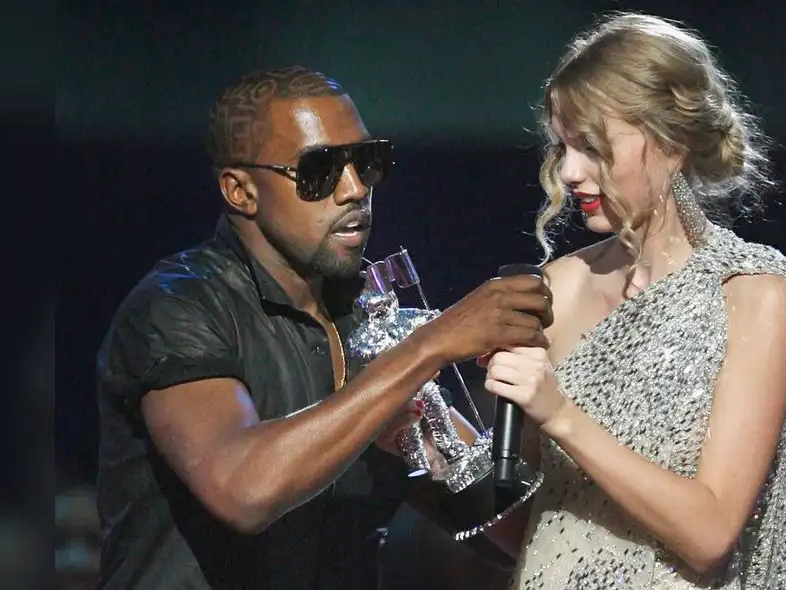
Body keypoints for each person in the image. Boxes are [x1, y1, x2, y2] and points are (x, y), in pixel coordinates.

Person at [94, 65, 552, 589]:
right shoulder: (179, 305)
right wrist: (429, 348)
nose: (355, 189)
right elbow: (243, 490)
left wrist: (534, 407)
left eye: (367, 161)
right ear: (240, 190)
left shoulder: (366, 319)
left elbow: (516, 535)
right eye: (320, 169)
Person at [480, 13, 786, 588]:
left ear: (671, 142)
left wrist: (559, 414)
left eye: (592, 147)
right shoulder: (560, 285)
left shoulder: (754, 292)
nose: (570, 172)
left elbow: (710, 534)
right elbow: (532, 525)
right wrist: (435, 443)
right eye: (563, 146)